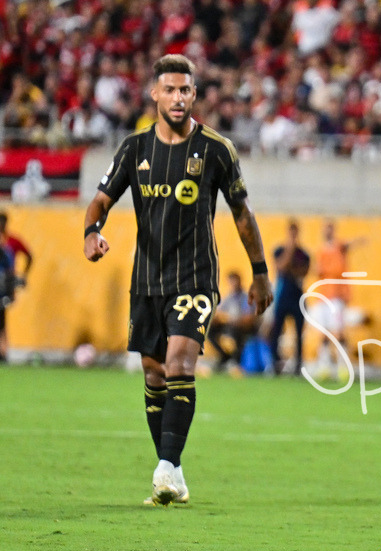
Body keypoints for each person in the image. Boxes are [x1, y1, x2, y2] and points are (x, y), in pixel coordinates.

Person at [82, 54, 273, 506]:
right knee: (154, 375)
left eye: (185, 89)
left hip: (195, 278)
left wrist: (260, 271)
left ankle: (165, 468)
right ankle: (174, 470)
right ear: (155, 94)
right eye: (169, 89)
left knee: (180, 364)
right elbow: (101, 201)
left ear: (194, 94)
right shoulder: (134, 149)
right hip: (147, 280)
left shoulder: (216, 150)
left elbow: (242, 213)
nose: (178, 97)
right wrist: (91, 232)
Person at [308, 218, 365, 380]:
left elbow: (350, 244)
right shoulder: (320, 251)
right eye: (325, 228)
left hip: (336, 297)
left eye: (330, 228)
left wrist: (360, 240)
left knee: (339, 333)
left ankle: (343, 366)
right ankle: (324, 366)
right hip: (322, 297)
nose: (327, 231)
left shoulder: (339, 247)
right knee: (324, 333)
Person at [268, 219, 311, 375]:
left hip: (298, 297)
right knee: (277, 331)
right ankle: (275, 364)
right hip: (282, 296)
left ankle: (298, 365)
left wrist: (291, 269)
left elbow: (303, 273)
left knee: (299, 333)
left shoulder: (304, 254)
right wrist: (290, 250)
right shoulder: (280, 250)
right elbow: (281, 266)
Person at [0, 210, 33, 362]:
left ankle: (3, 351)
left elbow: (29, 256)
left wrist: (23, 275)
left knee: (2, 318)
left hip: (5, 284)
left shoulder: (12, 241)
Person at [207, 271, 257, 371]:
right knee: (210, 330)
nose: (233, 284)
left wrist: (231, 320)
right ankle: (225, 357)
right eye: (231, 282)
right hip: (229, 325)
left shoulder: (246, 297)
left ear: (239, 281)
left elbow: (249, 319)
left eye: (234, 281)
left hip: (242, 327)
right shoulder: (228, 298)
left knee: (234, 331)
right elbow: (219, 313)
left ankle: (236, 360)